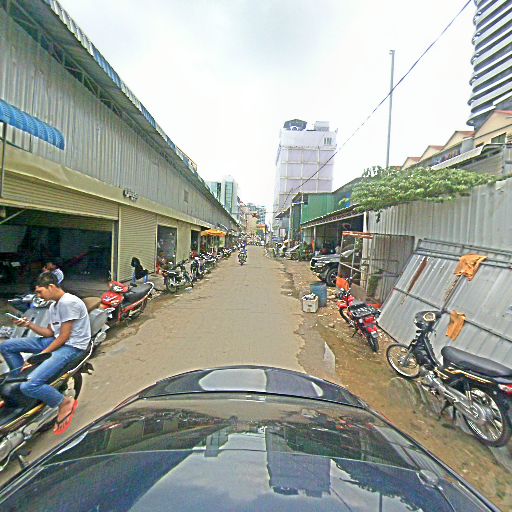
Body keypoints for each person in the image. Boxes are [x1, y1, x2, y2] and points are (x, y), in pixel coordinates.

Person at [0, 272, 90, 435]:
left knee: (30, 385)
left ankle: (63, 402)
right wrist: (28, 325)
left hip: (71, 347)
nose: (39, 296)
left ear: (51, 286)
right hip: (55, 340)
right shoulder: (54, 306)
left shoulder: (68, 303)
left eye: (40, 292)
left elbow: (64, 337)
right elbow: (50, 333)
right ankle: (18, 383)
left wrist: (37, 358)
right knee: (6, 346)